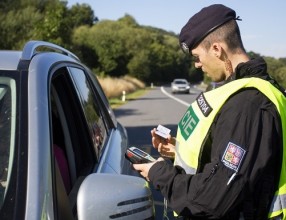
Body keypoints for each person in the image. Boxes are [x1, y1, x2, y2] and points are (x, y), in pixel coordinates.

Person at [133, 4, 286, 220]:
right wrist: (178, 150)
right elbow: (244, 159)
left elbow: (214, 199)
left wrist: (160, 173)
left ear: (217, 49)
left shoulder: (247, 103)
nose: (196, 65)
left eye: (196, 56)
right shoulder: (242, 90)